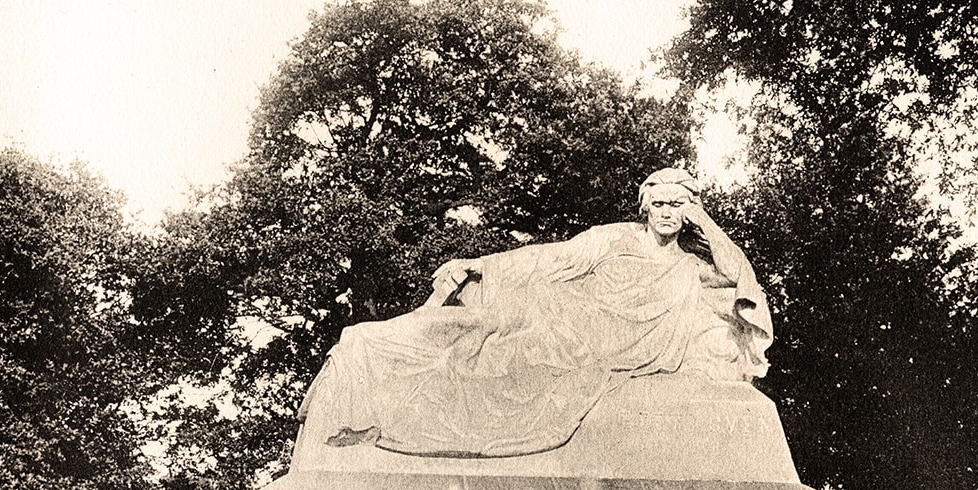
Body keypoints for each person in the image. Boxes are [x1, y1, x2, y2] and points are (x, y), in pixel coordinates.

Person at [300, 167, 773, 457]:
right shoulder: (614, 239)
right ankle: (371, 356)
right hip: (559, 321)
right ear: (646, 208)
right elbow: (548, 258)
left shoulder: (691, 267)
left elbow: (740, 279)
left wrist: (705, 219)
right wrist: (481, 265)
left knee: (496, 361)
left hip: (598, 351)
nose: (669, 212)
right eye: (661, 203)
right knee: (472, 335)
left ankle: (379, 363)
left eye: (679, 205)